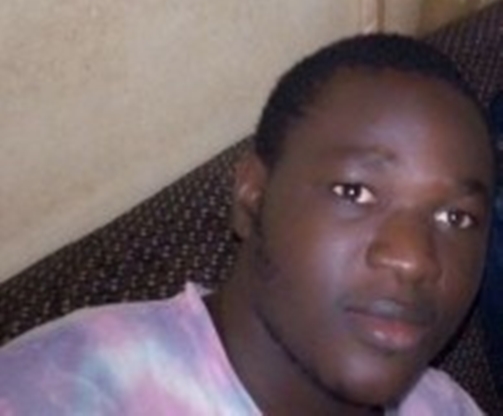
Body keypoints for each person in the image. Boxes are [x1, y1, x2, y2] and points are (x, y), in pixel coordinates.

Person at [0, 34, 495, 415]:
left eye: (456, 216)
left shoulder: (443, 406)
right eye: (355, 192)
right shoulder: (66, 387)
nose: (414, 258)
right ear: (252, 193)